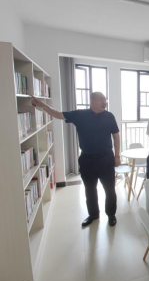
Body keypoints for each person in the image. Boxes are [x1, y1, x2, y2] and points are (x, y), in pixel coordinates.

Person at [31, 92, 121, 228]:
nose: (104, 102)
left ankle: (111, 214)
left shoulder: (109, 116)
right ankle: (93, 215)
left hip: (106, 159)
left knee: (109, 189)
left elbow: (116, 136)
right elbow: (58, 114)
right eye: (101, 100)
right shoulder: (80, 115)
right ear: (91, 101)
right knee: (90, 189)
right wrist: (43, 105)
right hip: (87, 160)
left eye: (105, 100)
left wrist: (117, 156)